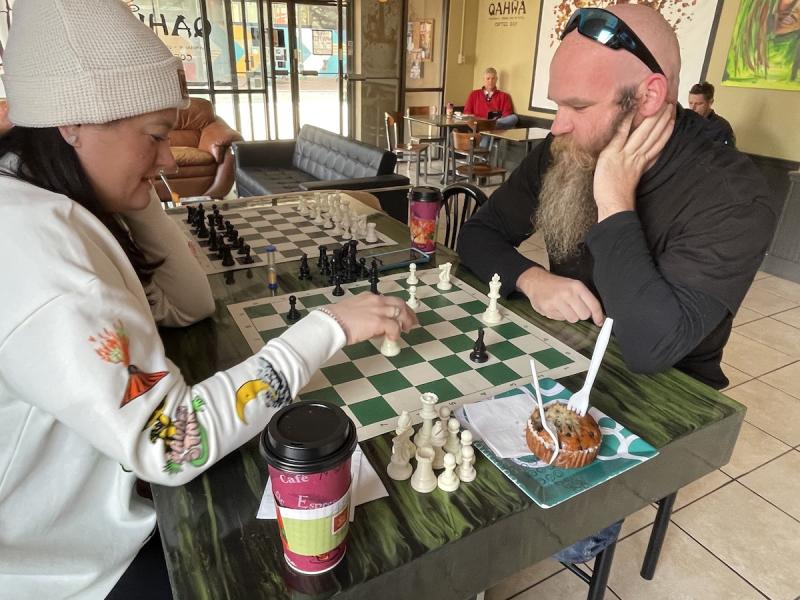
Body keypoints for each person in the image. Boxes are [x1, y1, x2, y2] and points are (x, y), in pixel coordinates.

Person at [0, 2, 417, 599]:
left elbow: (188, 304)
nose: (171, 157)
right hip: (67, 571)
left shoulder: (41, 193)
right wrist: (326, 325)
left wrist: (134, 190)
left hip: (86, 523)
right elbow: (172, 443)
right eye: (154, 136)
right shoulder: (48, 264)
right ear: (72, 124)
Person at [459, 4, 776, 392]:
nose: (558, 124)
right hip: (568, 358)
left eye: (578, 106)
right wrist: (532, 278)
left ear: (648, 97)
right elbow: (478, 234)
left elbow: (651, 346)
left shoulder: (733, 194)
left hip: (669, 394)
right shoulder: (568, 146)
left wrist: (613, 201)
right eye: (557, 103)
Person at [687, 81, 737, 146]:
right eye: (690, 103)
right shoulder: (685, 122)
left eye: (698, 104)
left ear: (710, 102)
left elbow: (727, 153)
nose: (693, 108)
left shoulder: (722, 127)